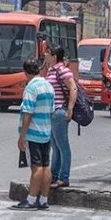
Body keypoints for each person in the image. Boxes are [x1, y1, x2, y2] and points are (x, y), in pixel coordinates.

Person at [12, 58, 54, 210]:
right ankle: (43, 200)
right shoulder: (48, 86)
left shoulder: (31, 88)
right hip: (46, 131)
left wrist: (22, 136)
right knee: (46, 166)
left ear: (26, 72)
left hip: (33, 133)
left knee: (36, 167)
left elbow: (28, 114)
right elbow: (51, 110)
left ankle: (30, 200)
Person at [44, 44, 77, 189]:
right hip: (52, 112)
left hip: (59, 111)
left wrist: (69, 109)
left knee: (63, 146)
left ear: (54, 56)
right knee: (55, 146)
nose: (45, 54)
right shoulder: (51, 70)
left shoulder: (63, 70)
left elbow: (73, 88)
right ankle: (54, 176)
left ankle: (64, 177)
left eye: (48, 52)